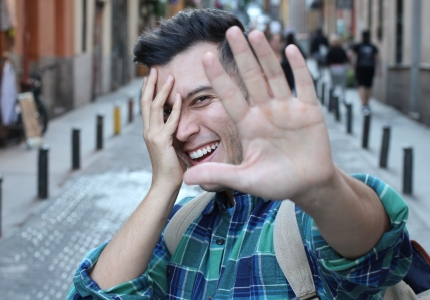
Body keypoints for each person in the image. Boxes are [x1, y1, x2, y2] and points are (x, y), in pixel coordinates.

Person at [68, 9, 411, 299]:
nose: (183, 130)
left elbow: (375, 253)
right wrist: (162, 187)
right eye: (167, 112)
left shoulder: (304, 219)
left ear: (251, 89)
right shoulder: (178, 229)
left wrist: (323, 191)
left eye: (201, 99)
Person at [350, 30, 380, 114]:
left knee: (361, 85)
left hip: (360, 68)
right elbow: (377, 58)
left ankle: (364, 104)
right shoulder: (373, 46)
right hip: (370, 68)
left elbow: (350, 55)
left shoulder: (358, 46)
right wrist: (379, 69)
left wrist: (352, 64)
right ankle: (367, 103)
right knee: (369, 86)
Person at [326, 34, 349, 103]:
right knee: (342, 84)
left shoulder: (330, 51)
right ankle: (343, 98)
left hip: (333, 68)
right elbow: (346, 59)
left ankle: (333, 98)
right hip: (341, 68)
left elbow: (327, 61)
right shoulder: (342, 50)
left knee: (333, 84)